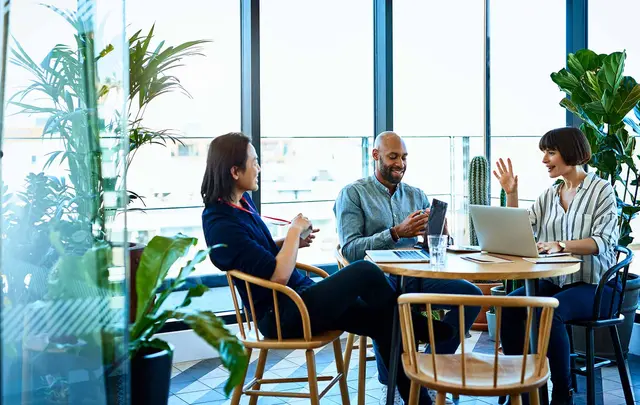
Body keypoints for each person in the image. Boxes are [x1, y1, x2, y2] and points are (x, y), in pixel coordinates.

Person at [201, 132, 453, 405]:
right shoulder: (220, 222)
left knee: (385, 325)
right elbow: (278, 275)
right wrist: (293, 231)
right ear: (235, 171)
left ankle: (417, 393)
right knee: (364, 271)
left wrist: (291, 241)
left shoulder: (241, 205)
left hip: (300, 297)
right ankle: (413, 326)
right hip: (281, 313)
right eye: (254, 162)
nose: (259, 168)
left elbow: (257, 251)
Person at [334, 131, 482, 405]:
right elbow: (351, 250)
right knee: (387, 307)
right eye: (393, 157)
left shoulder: (416, 195)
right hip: (375, 281)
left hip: (416, 273)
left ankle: (426, 370)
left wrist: (440, 235)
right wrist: (395, 232)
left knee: (472, 296)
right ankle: (397, 381)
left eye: (403, 157)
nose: (400, 163)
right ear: (375, 155)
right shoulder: (353, 194)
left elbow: (436, 248)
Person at [493, 127, 619, 405]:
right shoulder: (550, 195)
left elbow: (604, 241)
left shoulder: (601, 190)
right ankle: (520, 382)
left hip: (595, 286)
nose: (544, 160)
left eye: (551, 152)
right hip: (557, 282)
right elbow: (522, 231)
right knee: (511, 306)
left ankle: (563, 391)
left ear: (570, 153)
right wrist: (511, 194)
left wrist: (562, 244)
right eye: (544, 153)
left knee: (550, 312)